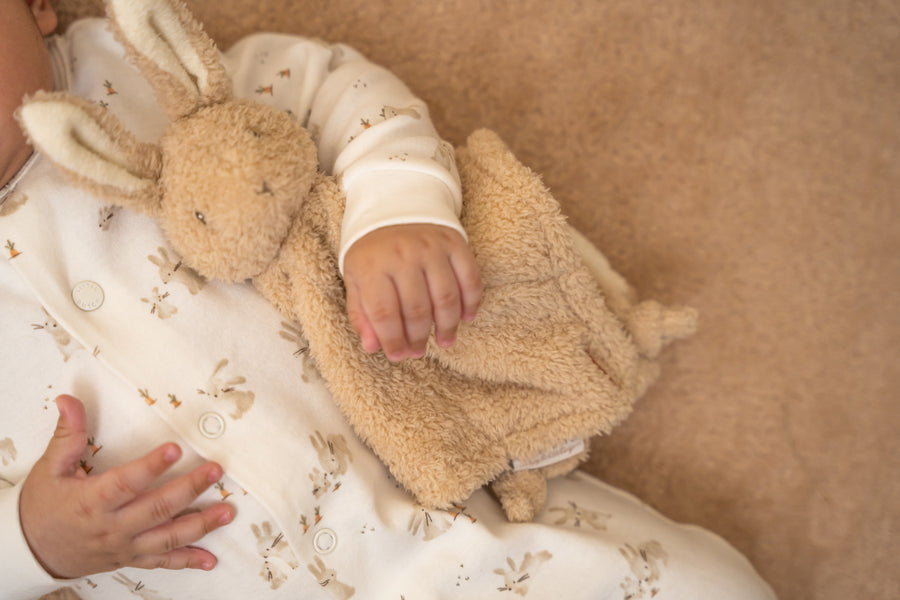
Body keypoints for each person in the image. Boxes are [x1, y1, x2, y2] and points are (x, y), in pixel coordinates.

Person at [0, 0, 777, 598]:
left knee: (707, 586)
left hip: (452, 529)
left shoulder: (142, 76)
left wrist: (394, 208)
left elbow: (323, 89)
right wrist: (31, 541)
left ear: (37, 6)